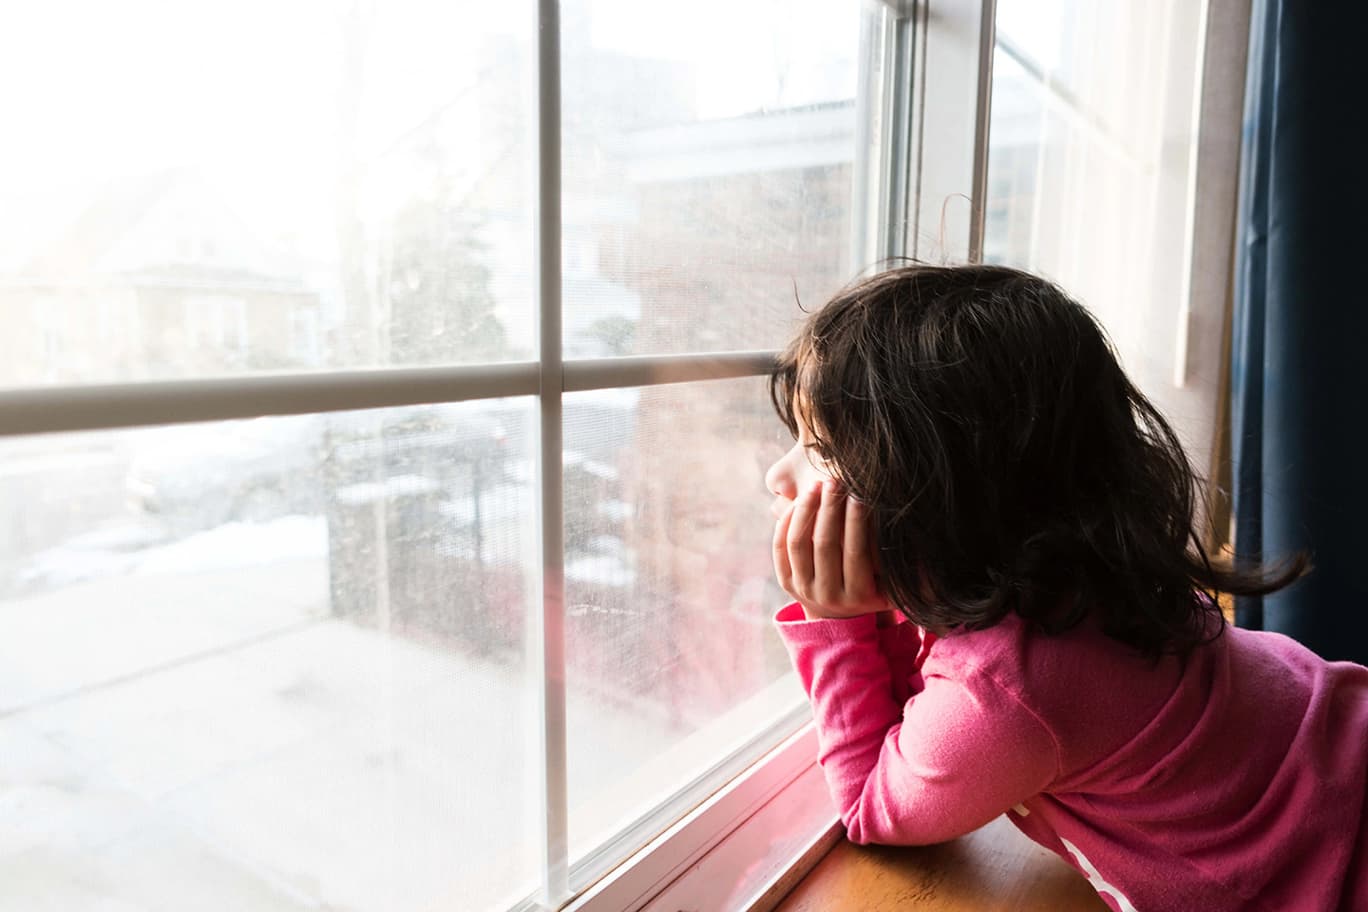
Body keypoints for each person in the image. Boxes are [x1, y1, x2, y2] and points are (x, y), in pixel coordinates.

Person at [763, 263, 1368, 911]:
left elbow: (867, 808)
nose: (779, 474)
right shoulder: (1088, 568)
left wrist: (836, 620)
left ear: (950, 487)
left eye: (821, 447)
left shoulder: (1004, 691)